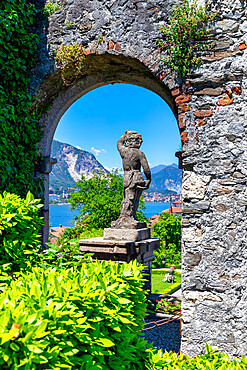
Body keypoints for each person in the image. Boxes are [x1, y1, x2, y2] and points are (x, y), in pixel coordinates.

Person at [112, 130, 151, 228]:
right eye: (139, 140)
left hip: (126, 176)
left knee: (126, 196)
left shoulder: (124, 151)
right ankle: (129, 217)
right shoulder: (139, 153)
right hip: (136, 176)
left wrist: (124, 135)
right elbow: (146, 168)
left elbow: (119, 143)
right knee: (134, 198)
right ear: (135, 142)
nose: (141, 142)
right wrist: (148, 179)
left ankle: (124, 216)